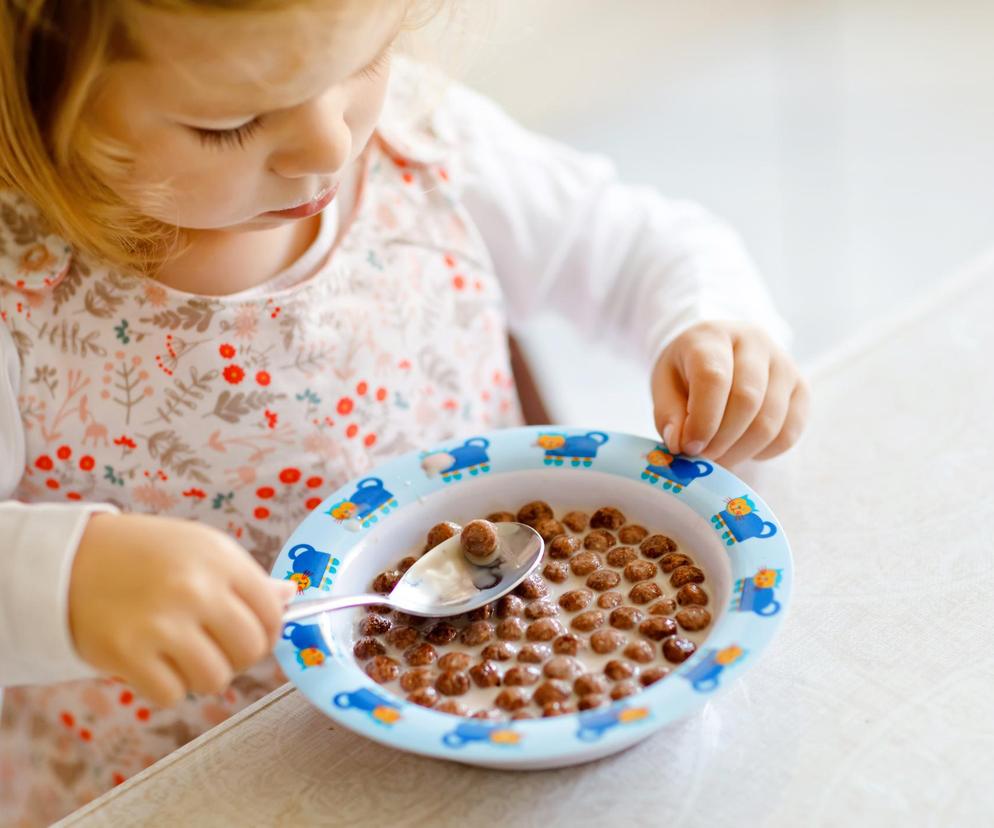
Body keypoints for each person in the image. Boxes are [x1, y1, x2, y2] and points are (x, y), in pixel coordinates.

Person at [0, 0, 809, 822]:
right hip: (179, 788)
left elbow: (644, 246)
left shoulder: (427, 148)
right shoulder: (15, 292)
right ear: (31, 94)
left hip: (497, 739)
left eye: (362, 60)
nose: (330, 144)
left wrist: (714, 327)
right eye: (229, 124)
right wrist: (64, 580)